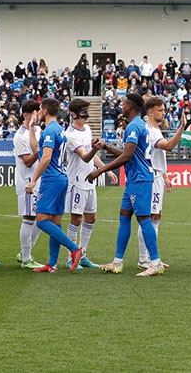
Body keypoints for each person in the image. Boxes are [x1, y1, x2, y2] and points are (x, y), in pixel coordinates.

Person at [86, 93, 164, 277]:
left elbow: (127, 156)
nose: (121, 105)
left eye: (124, 103)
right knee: (124, 216)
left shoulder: (134, 127)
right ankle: (117, 262)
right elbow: (127, 152)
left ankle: (156, 262)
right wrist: (105, 147)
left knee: (144, 219)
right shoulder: (137, 125)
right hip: (134, 180)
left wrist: (100, 170)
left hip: (140, 179)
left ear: (131, 106)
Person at [26, 98, 86, 273]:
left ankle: (75, 249)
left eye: (39, 110)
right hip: (61, 177)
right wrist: (31, 129)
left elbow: (45, 157)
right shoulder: (58, 129)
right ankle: (52, 263)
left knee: (42, 220)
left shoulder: (50, 131)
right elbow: (38, 149)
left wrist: (34, 180)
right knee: (56, 222)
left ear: (44, 111)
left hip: (51, 179)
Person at [64, 99, 116, 270]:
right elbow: (85, 156)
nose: (86, 115)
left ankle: (83, 254)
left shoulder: (86, 129)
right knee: (76, 219)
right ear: (73, 114)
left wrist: (106, 169)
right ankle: (71, 257)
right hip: (77, 181)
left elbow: (91, 156)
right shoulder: (70, 135)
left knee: (91, 218)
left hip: (89, 181)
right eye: (83, 111)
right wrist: (96, 148)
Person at [137, 97, 186, 270]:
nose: (164, 113)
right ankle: (146, 259)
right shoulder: (151, 131)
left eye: (164, 110)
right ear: (150, 112)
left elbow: (156, 155)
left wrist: (165, 176)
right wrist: (181, 127)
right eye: (160, 110)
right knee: (150, 217)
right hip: (151, 177)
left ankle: (148, 258)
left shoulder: (154, 129)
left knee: (154, 216)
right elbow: (169, 146)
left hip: (157, 175)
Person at [12, 100, 44, 269]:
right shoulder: (20, 137)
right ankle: (26, 258)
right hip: (27, 182)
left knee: (43, 217)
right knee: (29, 217)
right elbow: (28, 162)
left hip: (40, 181)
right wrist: (41, 151)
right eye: (35, 112)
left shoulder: (38, 130)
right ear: (26, 115)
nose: (38, 116)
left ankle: (25, 252)